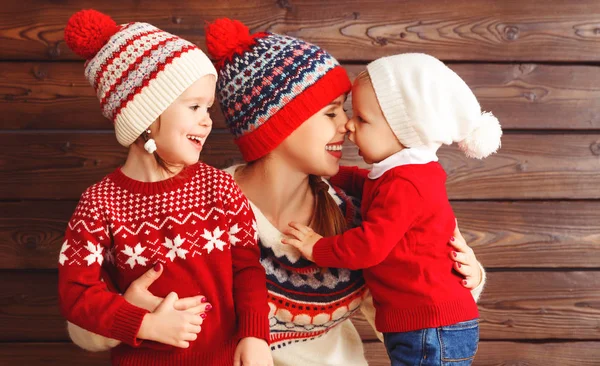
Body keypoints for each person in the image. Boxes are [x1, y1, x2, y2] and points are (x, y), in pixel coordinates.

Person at [66, 19, 487, 366]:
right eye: (331, 112)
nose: (347, 126)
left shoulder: (362, 208)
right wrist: (132, 312)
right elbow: (82, 324)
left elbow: (409, 314)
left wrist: (465, 278)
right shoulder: (197, 203)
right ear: (279, 126)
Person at [58, 10, 272, 366]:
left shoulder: (219, 187)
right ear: (144, 114)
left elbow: (246, 269)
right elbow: (76, 293)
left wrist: (255, 334)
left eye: (208, 107)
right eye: (193, 106)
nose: (206, 120)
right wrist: (143, 324)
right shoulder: (100, 203)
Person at [283, 53, 502, 365]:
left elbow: (370, 245)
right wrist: (330, 172)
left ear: (404, 131)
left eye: (362, 119)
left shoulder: (406, 184)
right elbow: (368, 184)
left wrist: (318, 248)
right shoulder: (401, 174)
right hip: (425, 323)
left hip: (429, 326)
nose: (349, 125)